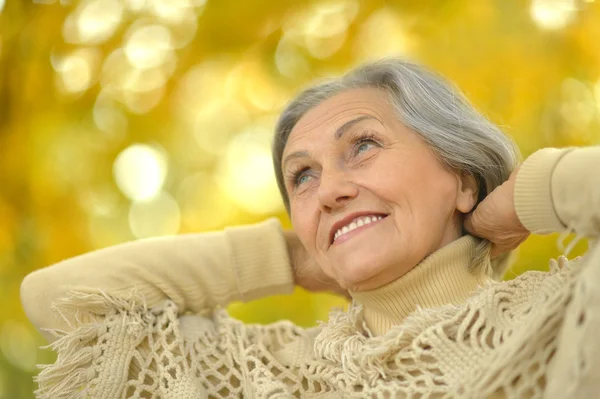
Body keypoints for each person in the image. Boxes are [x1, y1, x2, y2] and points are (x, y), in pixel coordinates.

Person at [21, 58, 600, 398]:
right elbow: (56, 301)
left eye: (363, 146)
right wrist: (292, 257)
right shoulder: (266, 375)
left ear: (462, 177)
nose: (327, 192)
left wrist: (526, 197)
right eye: (302, 178)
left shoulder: (565, 312)